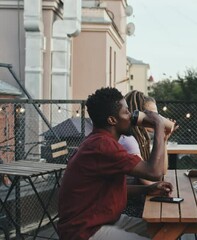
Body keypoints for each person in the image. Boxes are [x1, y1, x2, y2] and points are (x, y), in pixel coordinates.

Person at [58, 87, 173, 240]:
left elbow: (111, 189)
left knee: (164, 230)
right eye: (126, 112)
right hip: (84, 230)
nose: (131, 116)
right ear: (112, 120)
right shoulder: (103, 146)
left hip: (102, 220)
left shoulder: (100, 141)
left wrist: (147, 189)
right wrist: (158, 125)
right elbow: (154, 172)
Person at [119, 90, 175, 217]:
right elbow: (151, 180)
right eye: (153, 115)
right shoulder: (129, 141)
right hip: (129, 207)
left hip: (138, 201)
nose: (157, 119)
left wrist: (164, 140)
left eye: (158, 115)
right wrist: (159, 128)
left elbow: (163, 171)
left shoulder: (141, 139)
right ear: (138, 115)